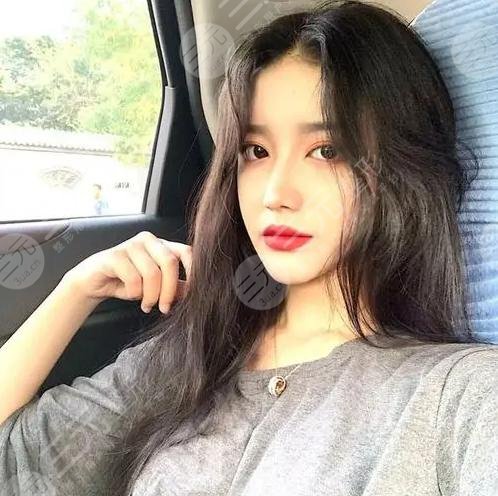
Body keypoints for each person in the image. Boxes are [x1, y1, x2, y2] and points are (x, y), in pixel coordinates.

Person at [1, 1, 498, 495]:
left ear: (402, 172)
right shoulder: (185, 358)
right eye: (256, 151)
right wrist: (76, 290)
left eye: (327, 151)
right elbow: (13, 464)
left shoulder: (461, 396)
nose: (275, 194)